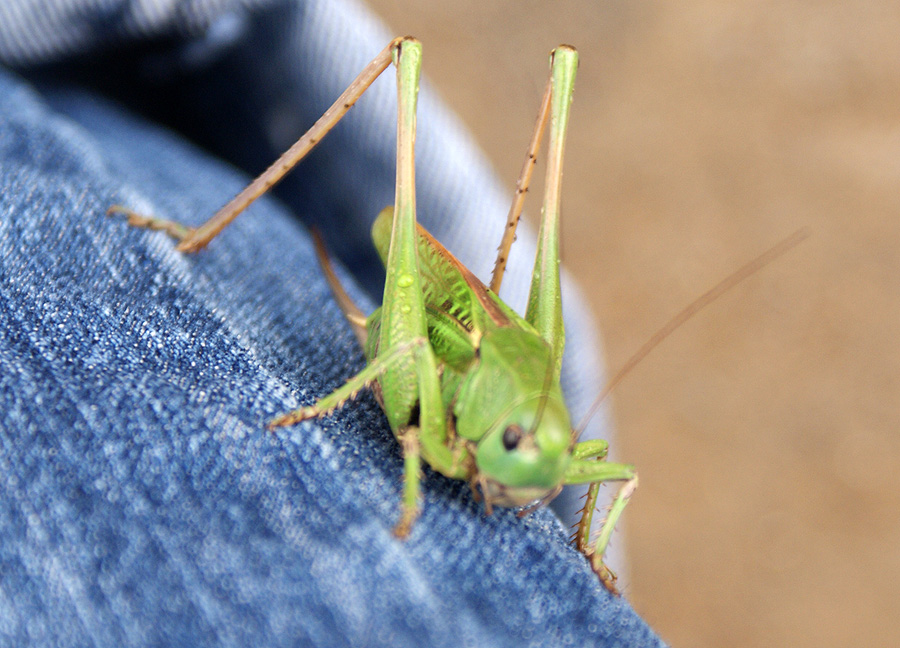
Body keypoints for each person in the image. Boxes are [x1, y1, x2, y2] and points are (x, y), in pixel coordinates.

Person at [0, 0, 663, 645]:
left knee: (593, 430)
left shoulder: (547, 449)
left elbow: (618, 477)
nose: (537, 474)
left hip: (495, 360)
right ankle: (194, 236)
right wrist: (332, 411)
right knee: (404, 63)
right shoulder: (450, 416)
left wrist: (589, 547)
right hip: (419, 348)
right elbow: (413, 431)